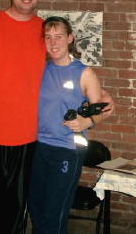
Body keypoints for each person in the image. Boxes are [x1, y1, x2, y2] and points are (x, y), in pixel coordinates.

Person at [0, 0, 113, 234]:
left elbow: (69, 69)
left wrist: (99, 97)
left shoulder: (42, 32)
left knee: (19, 212)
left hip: (31, 142)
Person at [28, 16, 111, 234]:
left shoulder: (83, 73)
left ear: (70, 38)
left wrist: (87, 120)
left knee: (54, 212)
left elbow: (103, 109)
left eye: (59, 37)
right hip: (39, 147)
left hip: (67, 149)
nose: (53, 43)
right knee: (36, 207)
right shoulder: (40, 69)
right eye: (48, 37)